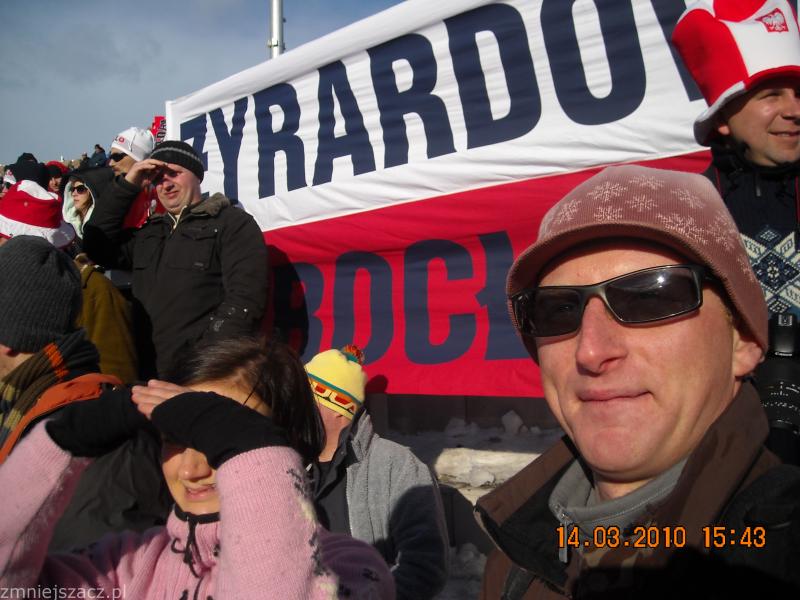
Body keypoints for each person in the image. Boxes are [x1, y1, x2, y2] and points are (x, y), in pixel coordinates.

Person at [477, 165, 800, 598]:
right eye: (558, 310)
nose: (590, 351)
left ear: (742, 339)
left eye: (649, 298)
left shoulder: (781, 554)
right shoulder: (515, 563)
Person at [0, 336, 395, 599]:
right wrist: (58, 444)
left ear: (280, 450)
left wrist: (250, 449)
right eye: (174, 438)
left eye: (222, 442)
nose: (191, 469)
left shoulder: (351, 569)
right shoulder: (126, 564)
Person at [673, 0, 800, 464]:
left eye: (799, 94)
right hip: (725, 440)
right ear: (724, 117)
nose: (794, 111)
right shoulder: (690, 211)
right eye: (772, 95)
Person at [83, 140, 269, 378]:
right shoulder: (149, 233)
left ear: (196, 176)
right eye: (158, 178)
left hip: (202, 375)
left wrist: (204, 364)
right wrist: (129, 184)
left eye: (174, 173)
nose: (166, 183)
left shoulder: (231, 223)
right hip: (146, 377)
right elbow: (96, 245)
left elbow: (246, 298)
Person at [307, 345, 449, 600]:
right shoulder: (289, 464)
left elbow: (425, 565)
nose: (293, 408)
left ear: (338, 405)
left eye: (305, 397)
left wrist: (370, 595)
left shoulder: (398, 466)